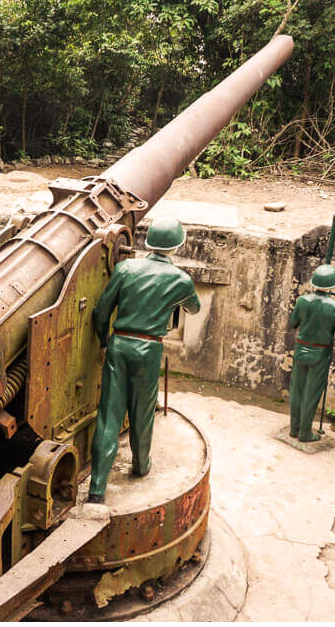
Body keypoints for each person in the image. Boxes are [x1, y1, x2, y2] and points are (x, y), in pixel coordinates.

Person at [87, 216, 201, 504]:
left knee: (108, 416)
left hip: (118, 343)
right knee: (142, 410)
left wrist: (104, 342)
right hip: (148, 349)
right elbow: (194, 308)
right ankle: (140, 465)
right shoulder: (180, 280)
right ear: (178, 246)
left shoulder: (125, 268)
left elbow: (101, 312)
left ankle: (97, 489)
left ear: (147, 243)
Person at [287, 265, 335, 442]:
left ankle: (294, 428)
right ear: (334, 285)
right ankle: (305, 432)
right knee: (312, 393)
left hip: (301, 349)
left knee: (297, 390)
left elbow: (293, 323)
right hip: (320, 352)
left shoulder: (302, 301)